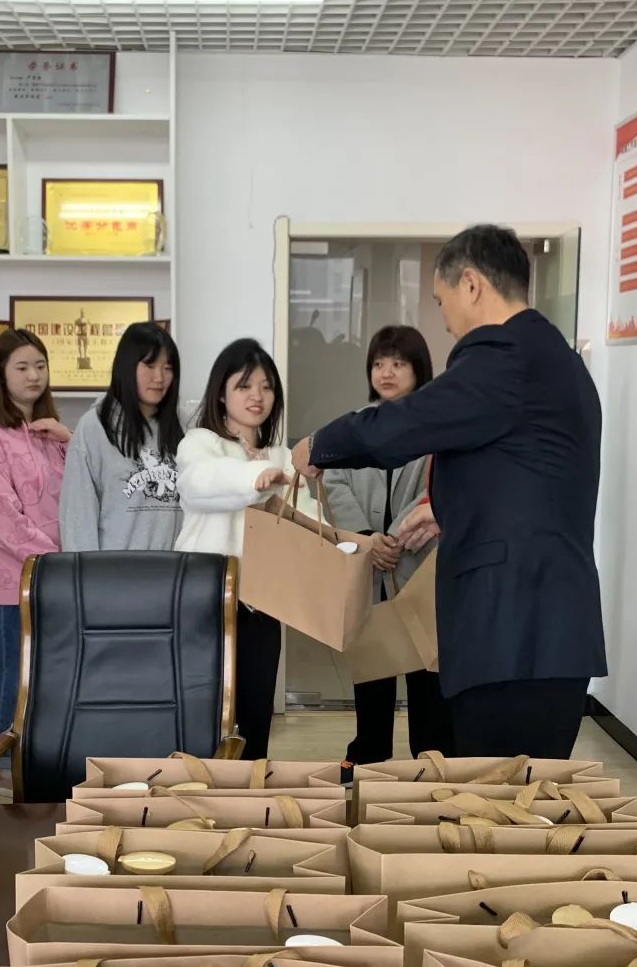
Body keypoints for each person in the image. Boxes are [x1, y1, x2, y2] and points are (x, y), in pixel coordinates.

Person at [292, 225, 607, 759]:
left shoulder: (504, 354)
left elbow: (405, 424)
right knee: (524, 798)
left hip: (513, 635)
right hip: (547, 632)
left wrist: (319, 445)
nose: (444, 319)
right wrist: (444, 510)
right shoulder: (557, 360)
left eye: (441, 301)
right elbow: (529, 475)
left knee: (493, 800)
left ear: (472, 284)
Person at [324, 325, 455, 766]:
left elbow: (436, 488)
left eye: (398, 363)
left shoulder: (434, 426)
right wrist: (366, 539)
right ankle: (369, 759)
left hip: (417, 566)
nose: (387, 372)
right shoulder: (357, 425)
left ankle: (429, 764)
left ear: (419, 370)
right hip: (367, 569)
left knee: (425, 675)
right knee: (371, 674)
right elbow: (335, 480)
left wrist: (392, 540)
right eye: (379, 363)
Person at [176, 338, 303, 760]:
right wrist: (257, 477)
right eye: (244, 386)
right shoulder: (199, 443)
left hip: (263, 604)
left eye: (266, 387)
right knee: (205, 713)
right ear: (221, 393)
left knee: (255, 713)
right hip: (207, 600)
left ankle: (249, 791)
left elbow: (307, 519)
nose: (257, 396)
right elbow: (202, 483)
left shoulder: (283, 455)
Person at [0, 329, 70, 793]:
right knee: (11, 670)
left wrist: (69, 439)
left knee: (45, 672)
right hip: (12, 577)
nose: (34, 376)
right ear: (1, 374)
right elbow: (3, 519)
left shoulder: (51, 431)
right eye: (22, 367)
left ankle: (34, 753)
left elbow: (81, 490)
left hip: (54, 575)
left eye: (40, 366)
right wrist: (57, 559)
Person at [59, 322, 183, 552]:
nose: (159, 377)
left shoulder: (183, 426)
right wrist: (84, 571)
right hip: (113, 570)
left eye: (167, 368)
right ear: (127, 366)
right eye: (149, 365)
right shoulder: (94, 428)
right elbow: (77, 518)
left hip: (176, 570)